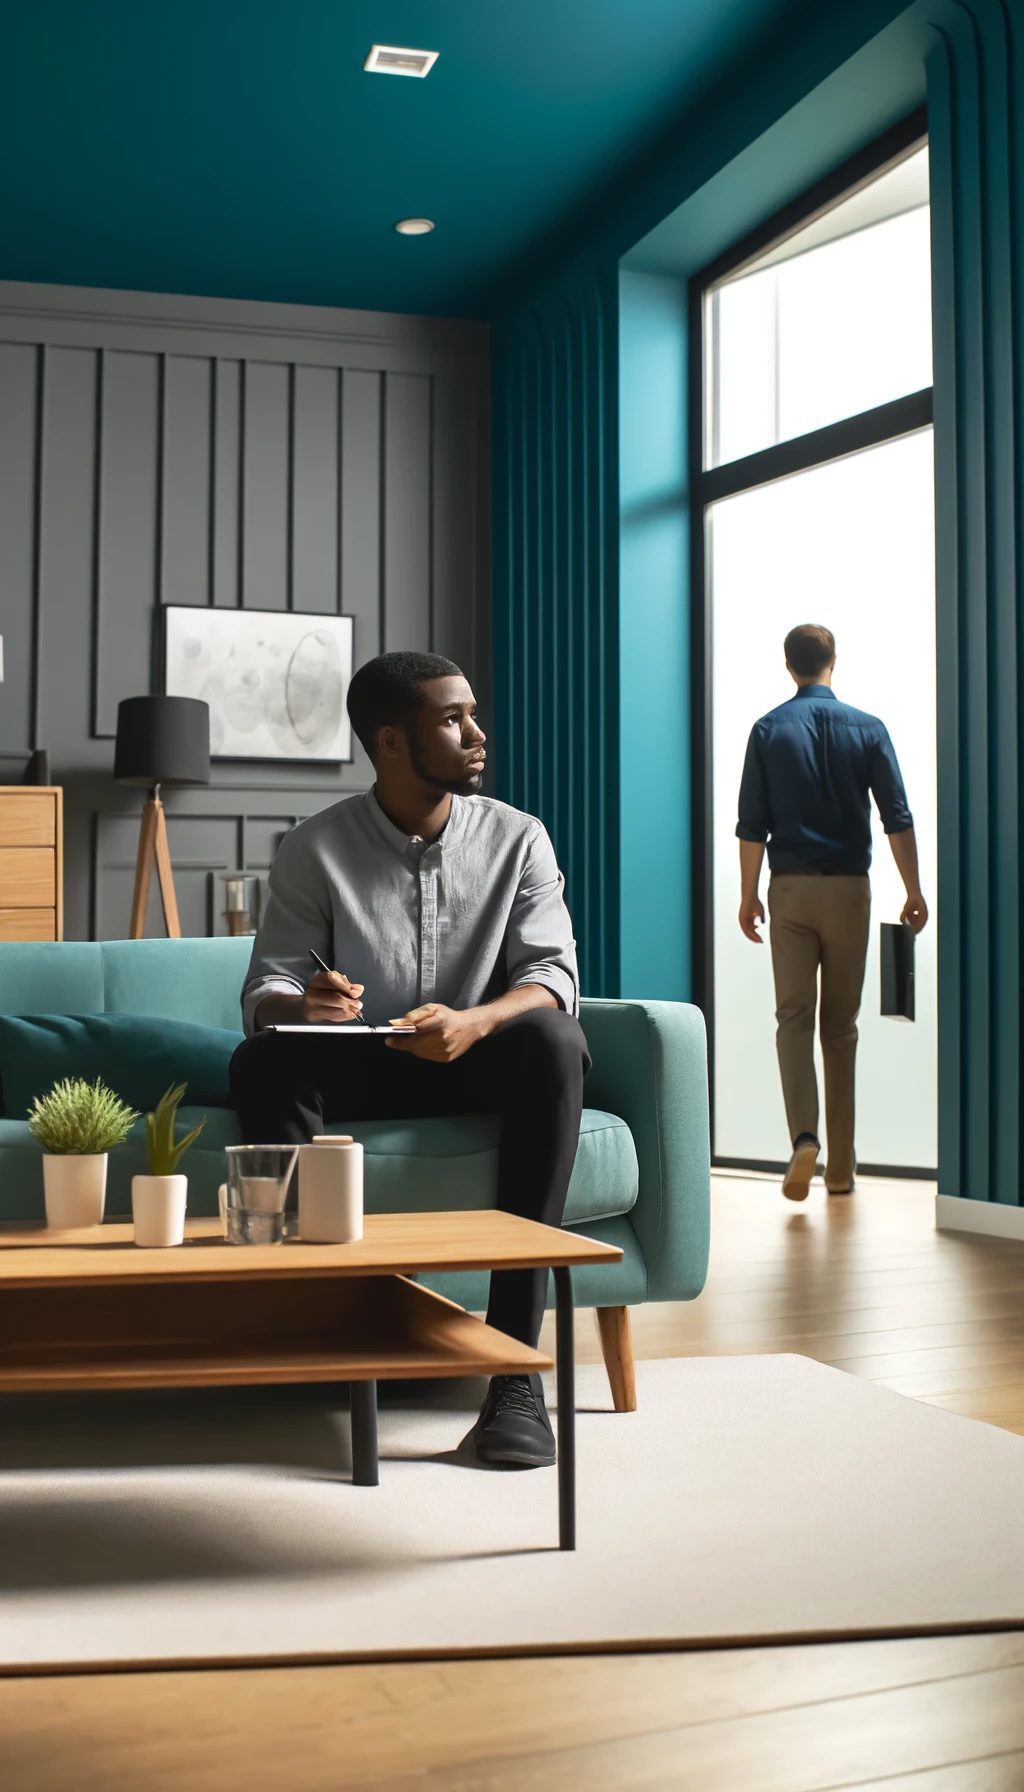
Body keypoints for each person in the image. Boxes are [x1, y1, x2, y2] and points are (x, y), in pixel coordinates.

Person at [229, 650, 588, 1467]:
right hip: (364, 1063)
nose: (477, 733)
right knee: (263, 1062)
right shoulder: (313, 848)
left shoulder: (518, 839)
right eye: (453, 719)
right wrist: (304, 1004)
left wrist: (476, 1021)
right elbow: (268, 988)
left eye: (472, 714)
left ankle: (514, 1380)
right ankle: (330, 1331)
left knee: (555, 1039)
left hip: (478, 1055)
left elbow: (552, 976)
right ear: (392, 742)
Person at [735, 623, 928, 1202]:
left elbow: (752, 823)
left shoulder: (768, 729)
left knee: (792, 1021)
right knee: (840, 1029)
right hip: (849, 892)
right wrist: (913, 889)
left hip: (790, 890)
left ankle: (803, 1139)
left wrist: (750, 894)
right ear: (832, 662)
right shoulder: (868, 729)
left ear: (788, 666)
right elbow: (897, 815)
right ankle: (841, 1168)